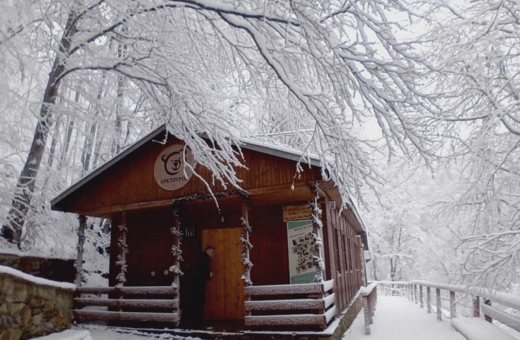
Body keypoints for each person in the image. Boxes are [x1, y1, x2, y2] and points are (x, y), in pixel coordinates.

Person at [181, 246, 214, 328]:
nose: (213, 254)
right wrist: (209, 275)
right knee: (199, 301)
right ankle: (198, 322)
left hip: (194, 284)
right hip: (198, 284)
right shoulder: (205, 258)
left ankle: (194, 322)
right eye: (212, 252)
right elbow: (203, 272)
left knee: (195, 302)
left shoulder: (200, 258)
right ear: (208, 251)